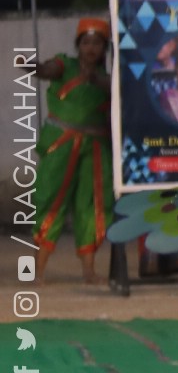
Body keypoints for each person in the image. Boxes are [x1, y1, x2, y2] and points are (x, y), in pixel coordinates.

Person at [32, 19, 113, 285]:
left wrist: (95, 79)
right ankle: (38, 271)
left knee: (92, 204)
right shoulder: (64, 65)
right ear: (78, 45)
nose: (91, 48)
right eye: (86, 42)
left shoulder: (109, 78)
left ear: (105, 48)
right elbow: (47, 69)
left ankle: (89, 272)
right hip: (62, 143)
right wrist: (32, 65)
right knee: (51, 199)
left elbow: (112, 90)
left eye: (97, 43)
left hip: (96, 147)